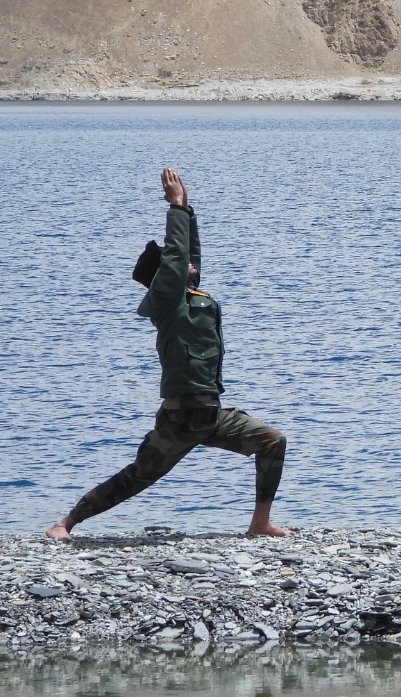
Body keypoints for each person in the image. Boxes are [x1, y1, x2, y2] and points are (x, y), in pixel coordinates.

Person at [46, 168, 292, 539]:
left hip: (210, 413)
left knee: (272, 441)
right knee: (138, 476)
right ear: (165, 277)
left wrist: (187, 211)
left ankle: (259, 523)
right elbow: (178, 258)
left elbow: (188, 255)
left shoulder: (193, 297)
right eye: (176, 265)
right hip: (179, 418)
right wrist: (174, 208)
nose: (187, 264)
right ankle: (64, 523)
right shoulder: (167, 301)